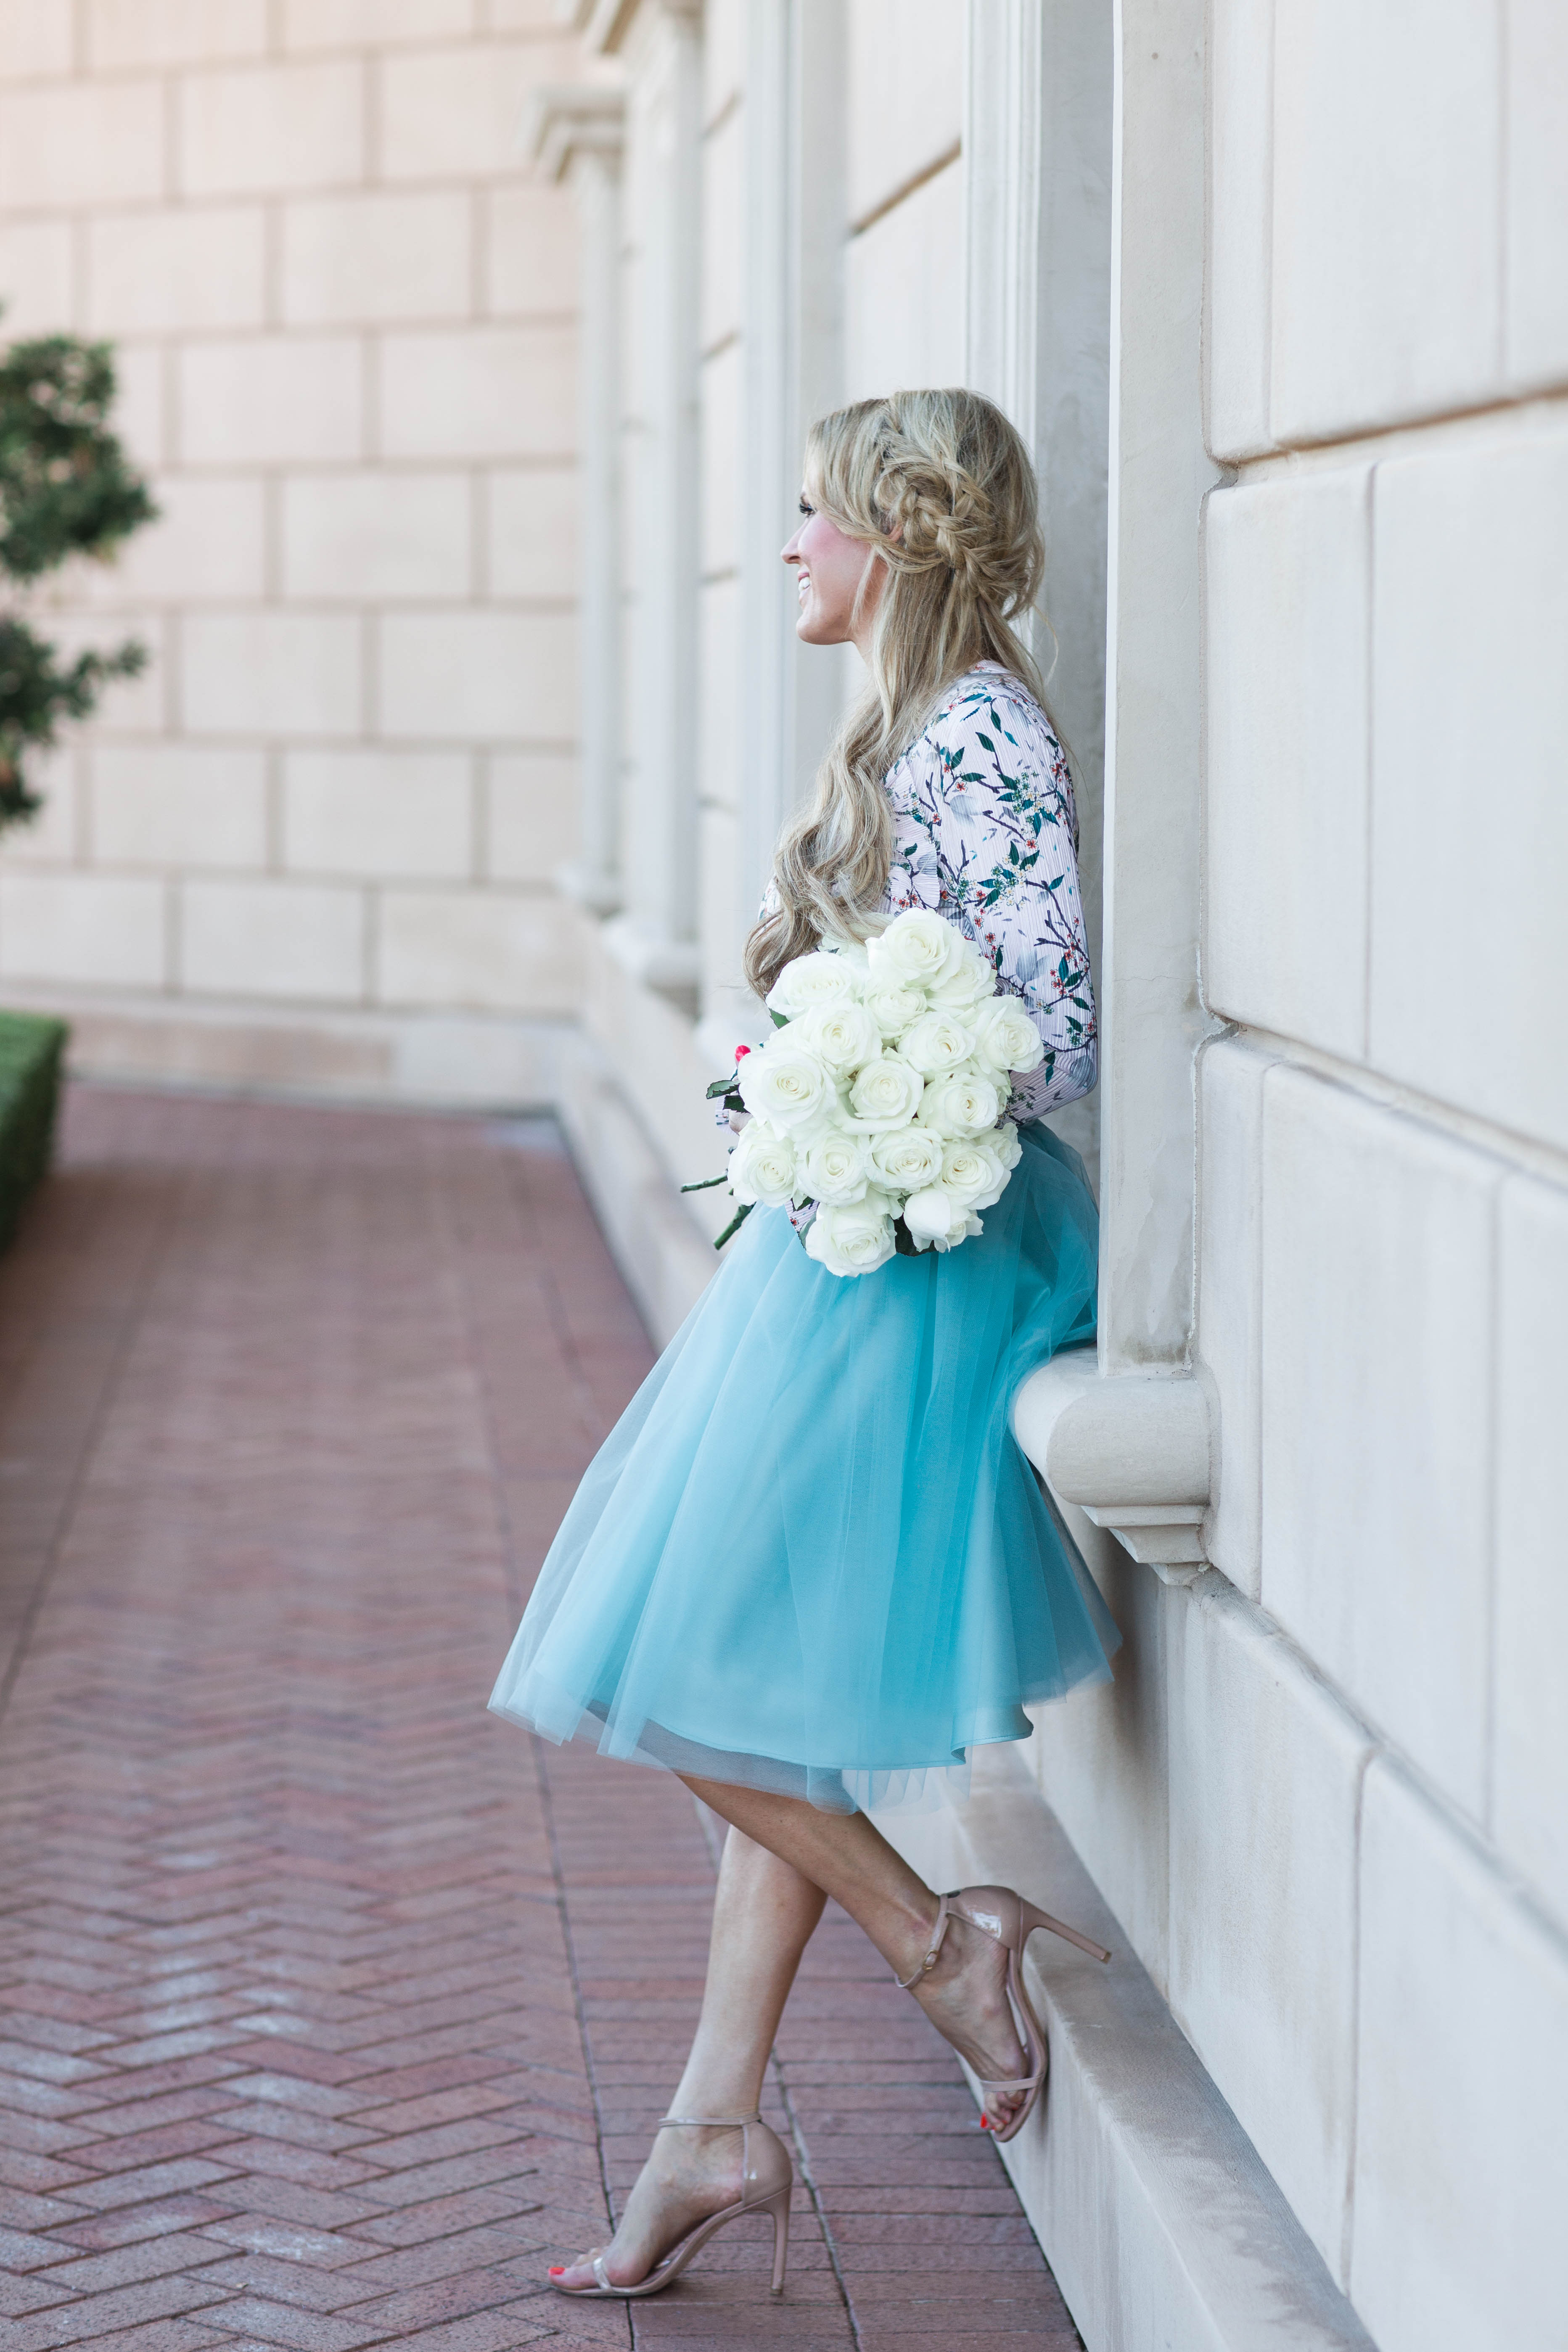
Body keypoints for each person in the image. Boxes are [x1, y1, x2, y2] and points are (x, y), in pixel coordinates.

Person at [490, 388, 1118, 2301]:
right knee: (746, 1672)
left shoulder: (984, 731)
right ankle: (713, 2124)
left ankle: (944, 1947)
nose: (789, 546)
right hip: (861, 1229)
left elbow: (1058, 1020)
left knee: (663, 1653)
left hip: (928, 1247)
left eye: (814, 514)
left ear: (900, 538)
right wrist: (823, 1076)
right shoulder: (918, 734)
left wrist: (867, 1080)